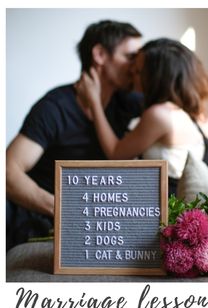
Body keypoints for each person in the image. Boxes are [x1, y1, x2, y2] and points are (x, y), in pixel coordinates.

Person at [6, 20, 143, 251]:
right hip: (42, 217)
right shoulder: (54, 107)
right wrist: (63, 209)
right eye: (130, 57)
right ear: (99, 54)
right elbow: (8, 170)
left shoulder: (129, 102)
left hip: (100, 222)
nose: (135, 66)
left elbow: (176, 114)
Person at [77, 38, 208, 196]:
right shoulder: (197, 118)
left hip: (168, 213)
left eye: (138, 71)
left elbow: (115, 153)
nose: (132, 75)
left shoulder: (160, 114)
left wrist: (94, 101)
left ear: (157, 77)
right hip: (199, 216)